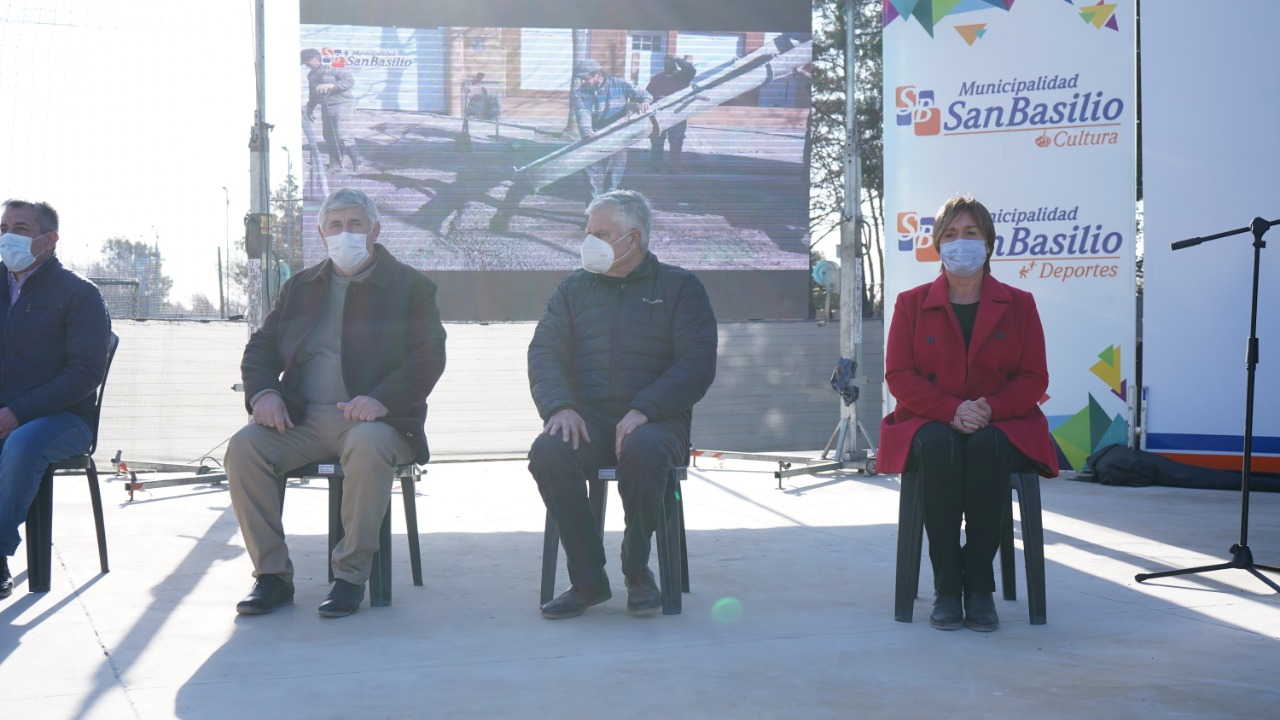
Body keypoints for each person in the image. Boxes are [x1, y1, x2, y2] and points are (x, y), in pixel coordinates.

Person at [226, 188, 447, 618]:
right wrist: (265, 392)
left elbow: (429, 357)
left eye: (355, 224)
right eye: (335, 225)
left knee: (366, 444)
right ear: (321, 233)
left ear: (375, 230)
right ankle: (271, 576)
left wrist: (382, 400)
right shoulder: (300, 287)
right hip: (302, 422)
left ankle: (349, 577)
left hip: (378, 424)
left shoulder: (411, 287)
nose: (345, 233)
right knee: (244, 447)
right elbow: (262, 347)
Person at [528, 190, 717, 619]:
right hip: (589, 418)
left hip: (657, 419)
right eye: (588, 232)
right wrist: (559, 406)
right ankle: (588, 580)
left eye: (600, 234)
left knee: (644, 447)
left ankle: (636, 569)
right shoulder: (573, 288)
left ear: (633, 239)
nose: (588, 242)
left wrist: (645, 408)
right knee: (548, 451)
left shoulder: (680, 287)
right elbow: (544, 352)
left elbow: (698, 362)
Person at [878, 195, 1058, 632]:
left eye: (971, 233)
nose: (961, 242)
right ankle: (947, 586)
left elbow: (1034, 377)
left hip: (1002, 423)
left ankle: (979, 585)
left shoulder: (1020, 304)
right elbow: (899, 375)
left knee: (987, 446)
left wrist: (987, 409)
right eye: (951, 234)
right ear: (938, 245)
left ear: (989, 244)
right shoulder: (910, 303)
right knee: (938, 445)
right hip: (928, 421)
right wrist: (951, 410)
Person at [0, 200, 112, 599]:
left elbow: (85, 374)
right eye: (2, 228)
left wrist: (18, 412)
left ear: (49, 240)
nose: (7, 237)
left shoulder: (79, 294)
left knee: (23, 444)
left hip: (64, 418)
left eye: (20, 228)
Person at [571, 60, 652, 198]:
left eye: (585, 78)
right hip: (593, 136)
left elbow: (645, 95)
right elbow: (583, 113)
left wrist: (645, 102)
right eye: (580, 79)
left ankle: (609, 206)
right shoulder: (580, 93)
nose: (582, 82)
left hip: (617, 135)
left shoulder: (620, 84)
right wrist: (587, 130)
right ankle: (594, 208)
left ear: (596, 75)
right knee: (592, 181)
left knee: (613, 179)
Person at [302, 48, 360, 173]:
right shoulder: (311, 75)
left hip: (343, 104)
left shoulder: (334, 67)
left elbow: (349, 81)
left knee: (343, 135)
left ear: (316, 58)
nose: (306, 65)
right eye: (305, 62)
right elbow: (312, 93)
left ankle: (358, 163)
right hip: (326, 106)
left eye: (308, 61)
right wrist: (310, 107)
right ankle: (336, 165)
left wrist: (332, 86)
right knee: (329, 136)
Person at [645, 55, 696, 171]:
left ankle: (675, 167)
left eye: (670, 62)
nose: (667, 65)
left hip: (677, 114)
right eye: (665, 62)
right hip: (659, 116)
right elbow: (648, 94)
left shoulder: (682, 76)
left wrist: (677, 59)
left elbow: (691, 70)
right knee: (657, 142)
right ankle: (655, 166)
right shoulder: (658, 78)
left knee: (676, 142)